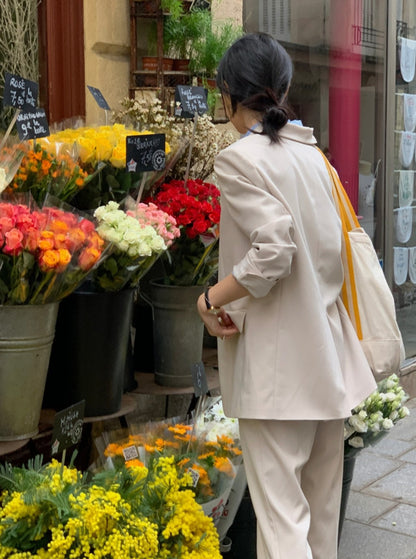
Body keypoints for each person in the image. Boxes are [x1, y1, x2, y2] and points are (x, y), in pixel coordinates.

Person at [196, 33, 377, 559]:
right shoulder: (312, 156)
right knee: (320, 522)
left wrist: (210, 299)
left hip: (278, 374)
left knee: (282, 526)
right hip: (328, 361)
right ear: (282, 88)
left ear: (229, 93)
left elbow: (275, 252)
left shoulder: (240, 159)